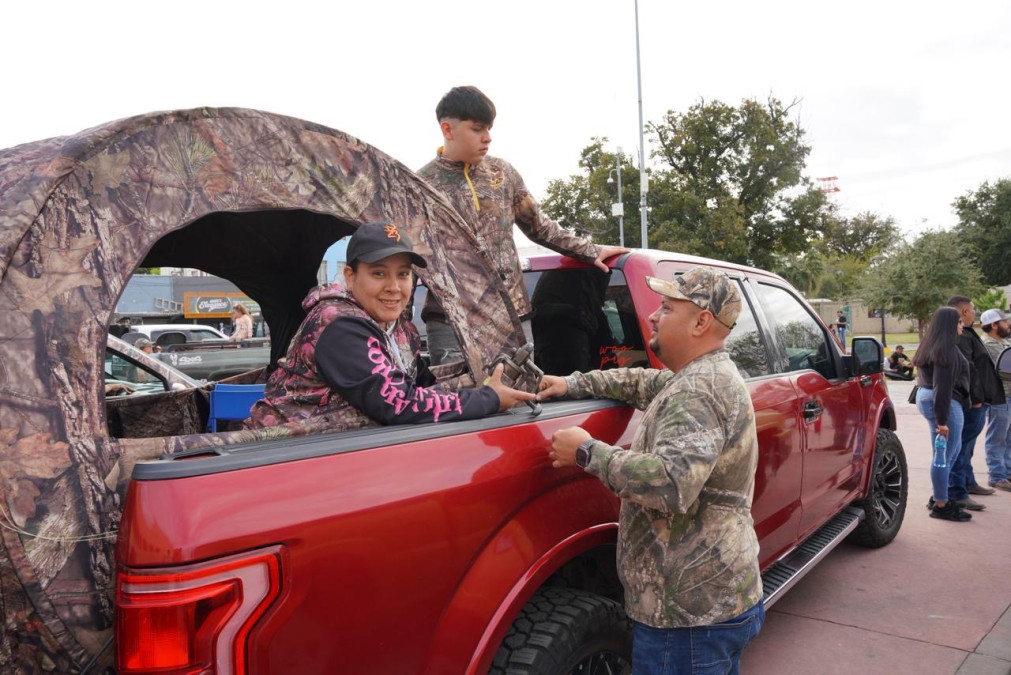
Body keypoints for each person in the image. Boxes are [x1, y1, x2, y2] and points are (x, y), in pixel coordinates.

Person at [537, 266, 763, 674]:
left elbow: (672, 485)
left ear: (701, 321)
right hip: (712, 602)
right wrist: (571, 384)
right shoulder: (699, 377)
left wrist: (585, 451)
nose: (654, 316)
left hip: (687, 617)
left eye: (666, 307)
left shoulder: (699, 390)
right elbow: (641, 382)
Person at [246, 222, 535, 430]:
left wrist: (506, 385)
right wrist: (490, 399)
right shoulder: (338, 325)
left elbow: (425, 389)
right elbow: (399, 404)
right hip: (283, 455)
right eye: (379, 273)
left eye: (404, 274)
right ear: (350, 276)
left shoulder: (401, 330)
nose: (394, 287)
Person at [418, 85, 628, 364]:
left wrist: (589, 251)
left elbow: (539, 226)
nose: (488, 138)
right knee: (457, 404)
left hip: (512, 317)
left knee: (521, 400)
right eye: (478, 129)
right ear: (448, 129)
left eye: (490, 128)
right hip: (450, 321)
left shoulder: (502, 174)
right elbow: (408, 260)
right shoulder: (421, 186)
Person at [913, 306, 972, 521]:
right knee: (946, 455)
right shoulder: (945, 349)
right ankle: (941, 504)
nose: (962, 325)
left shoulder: (931, 344)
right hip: (942, 402)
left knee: (944, 453)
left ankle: (939, 496)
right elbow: (943, 387)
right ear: (949, 325)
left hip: (929, 397)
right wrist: (943, 421)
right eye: (958, 322)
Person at [946, 296, 1003, 510]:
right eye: (972, 309)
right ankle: (958, 492)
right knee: (960, 447)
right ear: (963, 312)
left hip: (978, 400)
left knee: (967, 447)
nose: (975, 312)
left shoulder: (967, 332)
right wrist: (976, 399)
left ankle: (967, 483)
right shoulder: (959, 335)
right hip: (972, 402)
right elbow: (966, 370)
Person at [979, 308, 1011, 491]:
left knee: (1008, 437)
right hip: (1000, 397)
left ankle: (1007, 472)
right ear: (994, 325)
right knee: (997, 437)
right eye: (1004, 322)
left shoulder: (1004, 341)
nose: (1008, 325)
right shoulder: (989, 345)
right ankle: (997, 475)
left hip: (1008, 395)